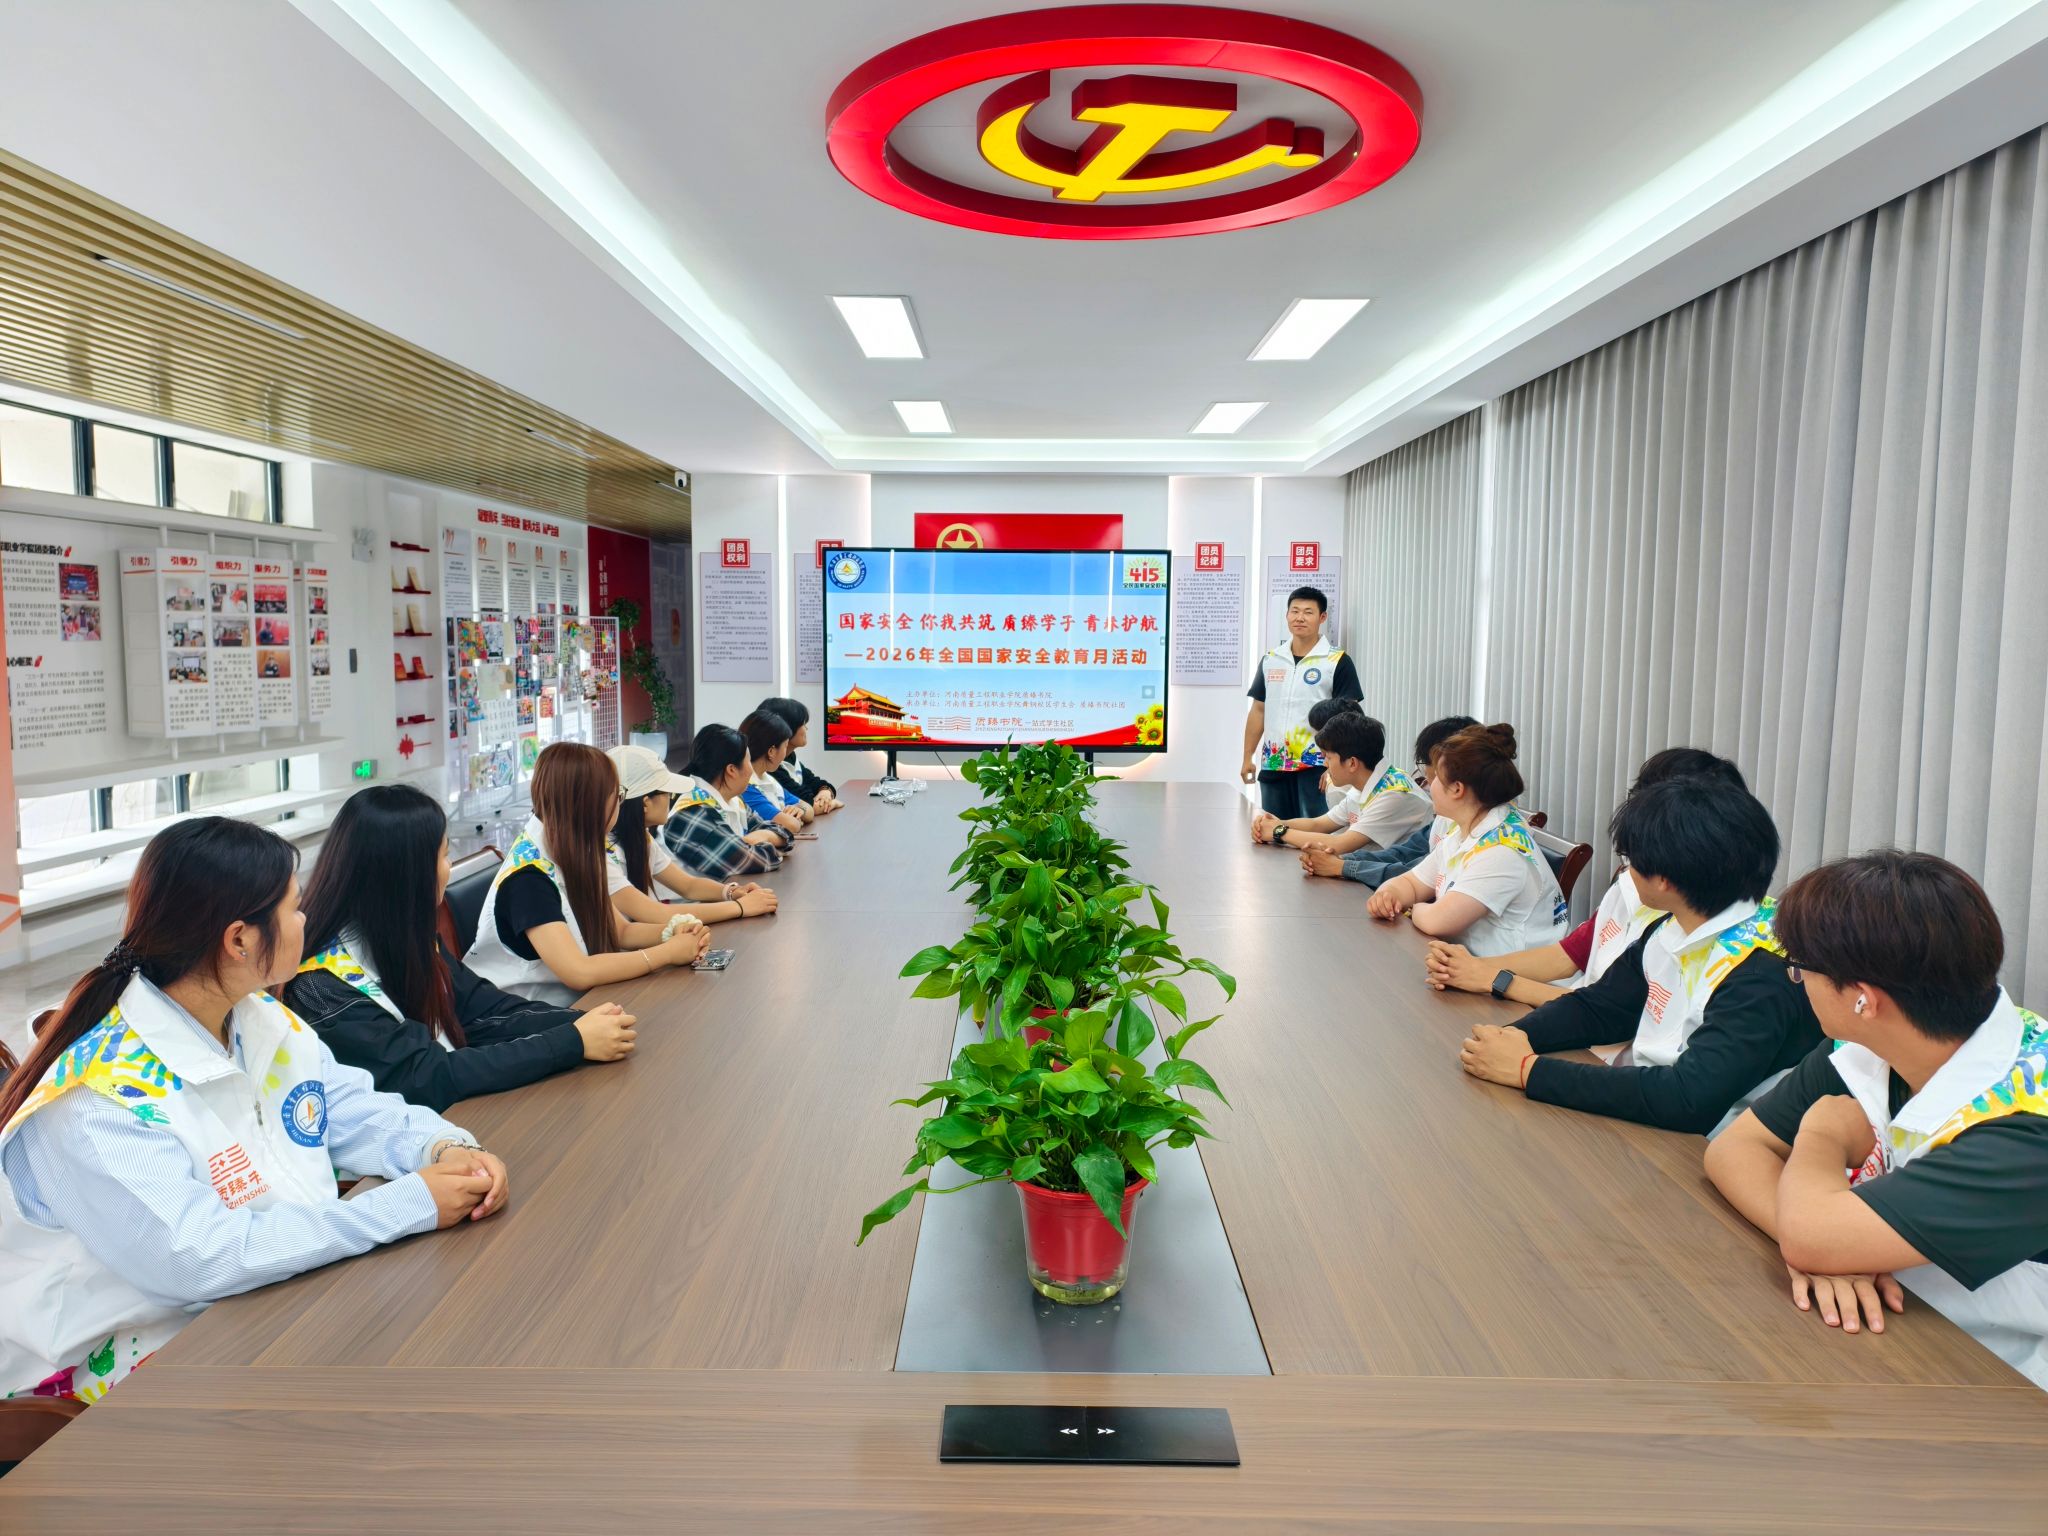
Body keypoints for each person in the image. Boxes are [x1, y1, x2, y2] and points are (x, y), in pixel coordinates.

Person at [0, 818, 509, 1405]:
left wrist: (443, 1147)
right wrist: (407, 1204)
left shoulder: (258, 1018)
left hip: (272, 1298)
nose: (306, 920)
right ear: (239, 940)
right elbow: (199, 1260)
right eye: (295, 908)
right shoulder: (95, 1100)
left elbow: (353, 1109)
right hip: (129, 1366)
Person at [1704, 852, 2048, 1386]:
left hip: (2002, 1379)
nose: (1798, 980)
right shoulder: (1874, 1045)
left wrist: (1821, 1134)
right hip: (1897, 1334)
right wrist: (1819, 1247)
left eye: (1801, 969)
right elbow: (1734, 1150)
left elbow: (1811, 1230)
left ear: (1864, 999)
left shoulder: (2028, 1124)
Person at [1457, 775, 1819, 1134]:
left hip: (1705, 1145)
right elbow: (1601, 1007)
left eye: (1632, 859)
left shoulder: (1762, 974)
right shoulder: (1675, 925)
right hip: (1653, 1113)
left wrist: (1528, 1070)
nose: (1627, 871)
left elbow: (1689, 1099)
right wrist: (1513, 1037)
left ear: (1664, 879)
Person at [285, 784, 639, 1113]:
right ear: (405, 874)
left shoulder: (403, 937)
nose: (448, 867)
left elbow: (482, 1009)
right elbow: (427, 1076)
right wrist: (571, 1040)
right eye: (443, 855)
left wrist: (583, 1023)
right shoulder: (319, 987)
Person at [1428, 748, 1748, 1006]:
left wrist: (1493, 979)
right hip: (1572, 1017)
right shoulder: (1631, 884)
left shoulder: (1711, 929)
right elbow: (1568, 956)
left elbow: (1611, 1013)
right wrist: (1473, 969)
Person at [465, 742, 708, 1006]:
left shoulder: (578, 848)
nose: (620, 804)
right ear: (589, 804)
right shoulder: (528, 879)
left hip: (574, 1004)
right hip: (520, 1014)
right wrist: (667, 953)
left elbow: (621, 931)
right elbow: (578, 972)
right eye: (617, 795)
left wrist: (671, 932)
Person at [1366, 724, 1566, 954]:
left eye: (1436, 777)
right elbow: (1411, 883)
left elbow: (1437, 921)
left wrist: (1410, 908)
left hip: (1510, 972)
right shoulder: (1464, 832)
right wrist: (1388, 895)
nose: (1429, 784)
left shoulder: (1501, 850)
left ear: (1457, 789)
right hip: (1468, 962)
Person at [605, 743, 778, 926]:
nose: (671, 797)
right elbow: (656, 914)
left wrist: (731, 892)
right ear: (645, 803)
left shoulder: (641, 837)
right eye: (667, 792)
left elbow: (688, 885)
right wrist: (740, 907)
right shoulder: (606, 854)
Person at [1240, 586, 1362, 820]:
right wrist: (1248, 757)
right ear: (1287, 615)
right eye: (1294, 611)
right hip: (1275, 763)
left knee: (1315, 830)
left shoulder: (1337, 661)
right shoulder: (1272, 659)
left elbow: (1350, 718)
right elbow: (1259, 710)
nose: (1300, 618)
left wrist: (1336, 766)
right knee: (1275, 830)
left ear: (1322, 617)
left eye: (1308, 612)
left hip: (1317, 766)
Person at [1253, 712, 1432, 864]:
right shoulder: (1367, 782)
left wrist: (1278, 832)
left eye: (1328, 757)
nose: (1325, 764)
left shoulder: (1394, 794)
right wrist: (1277, 824)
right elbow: (1319, 824)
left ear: (1352, 763)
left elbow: (1338, 844)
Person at [1322, 715, 1478, 889]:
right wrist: (1344, 862)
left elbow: (1412, 873)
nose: (1425, 784)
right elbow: (1407, 853)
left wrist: (1343, 866)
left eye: (1328, 757)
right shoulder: (1447, 818)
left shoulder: (1397, 793)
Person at [660, 724, 788, 881]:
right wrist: (768, 844)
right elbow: (754, 861)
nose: (751, 769)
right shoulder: (694, 811)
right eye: (749, 761)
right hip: (699, 897)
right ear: (732, 770)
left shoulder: (733, 800)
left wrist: (762, 836)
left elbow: (783, 833)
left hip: (727, 891)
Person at [760, 697, 841, 813]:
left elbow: (815, 783)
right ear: (787, 727)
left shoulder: (790, 757)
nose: (806, 728)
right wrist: (833, 803)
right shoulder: (771, 766)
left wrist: (825, 791)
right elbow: (806, 801)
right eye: (803, 724)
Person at [738, 711, 813, 829]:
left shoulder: (769, 779)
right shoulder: (746, 786)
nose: (786, 753)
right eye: (785, 746)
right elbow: (791, 825)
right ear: (771, 751)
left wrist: (799, 810)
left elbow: (809, 811)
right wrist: (794, 819)